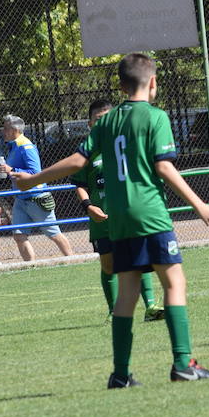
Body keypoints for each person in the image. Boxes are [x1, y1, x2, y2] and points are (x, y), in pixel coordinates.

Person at [14, 52, 209, 387]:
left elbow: (76, 161)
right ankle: (183, 364)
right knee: (175, 283)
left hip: (119, 219)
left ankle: (121, 374)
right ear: (153, 82)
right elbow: (164, 166)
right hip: (150, 214)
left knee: (127, 294)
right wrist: (199, 204)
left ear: (122, 84)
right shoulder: (155, 117)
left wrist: (32, 179)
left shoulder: (107, 123)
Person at [70, 98, 163, 321]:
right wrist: (88, 207)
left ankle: (151, 306)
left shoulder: (126, 145)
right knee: (109, 264)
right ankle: (114, 311)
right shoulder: (86, 152)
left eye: (108, 119)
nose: (103, 123)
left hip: (129, 216)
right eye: (98, 120)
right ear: (90, 124)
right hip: (102, 221)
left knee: (140, 260)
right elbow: (80, 185)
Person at [0, 114, 73, 262]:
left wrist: (11, 170)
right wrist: (10, 171)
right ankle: (31, 267)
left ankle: (73, 260)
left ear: (14, 130)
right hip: (20, 198)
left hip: (35, 197)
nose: (3, 132)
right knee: (19, 235)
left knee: (53, 233)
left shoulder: (26, 146)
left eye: (5, 128)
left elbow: (36, 172)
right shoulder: (13, 146)